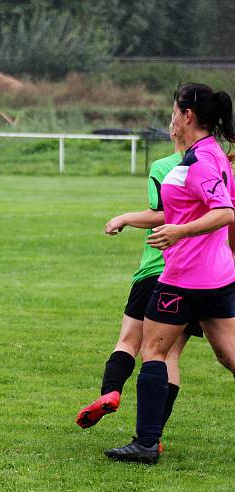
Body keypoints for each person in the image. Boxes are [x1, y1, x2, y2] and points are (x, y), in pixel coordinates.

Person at [105, 83, 235, 464]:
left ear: (188, 115)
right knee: (230, 356)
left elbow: (225, 211)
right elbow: (192, 209)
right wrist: (132, 218)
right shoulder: (204, 155)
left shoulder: (202, 161)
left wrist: (178, 232)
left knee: (154, 350)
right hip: (217, 276)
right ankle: (146, 441)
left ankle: (146, 444)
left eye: (175, 112)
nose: (172, 119)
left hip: (186, 277)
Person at [75, 127, 201, 442]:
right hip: (195, 274)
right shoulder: (214, 167)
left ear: (178, 125)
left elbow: (161, 213)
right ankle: (152, 435)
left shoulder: (164, 166)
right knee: (169, 356)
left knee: (130, 342)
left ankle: (111, 392)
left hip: (156, 268)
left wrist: (126, 217)